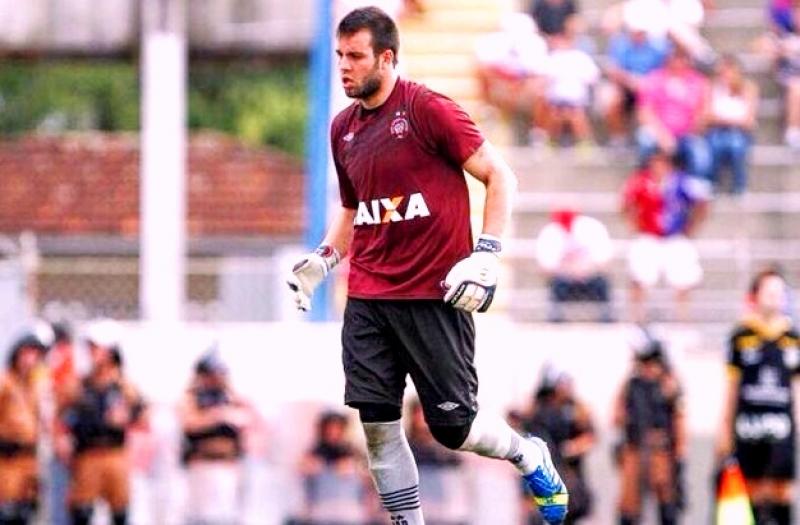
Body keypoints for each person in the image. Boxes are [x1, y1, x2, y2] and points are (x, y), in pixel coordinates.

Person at [286, 7, 568, 525]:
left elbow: (500, 176)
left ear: (386, 58)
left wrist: (486, 253)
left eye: (355, 56)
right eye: (340, 55)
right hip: (369, 296)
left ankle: (528, 454)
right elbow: (353, 208)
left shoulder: (427, 109)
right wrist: (325, 257)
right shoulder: (342, 128)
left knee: (454, 429)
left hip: (433, 294)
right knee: (377, 427)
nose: (344, 66)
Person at [716, 269, 800, 525]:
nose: (775, 296)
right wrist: (725, 430)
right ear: (755, 296)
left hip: (781, 428)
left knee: (781, 492)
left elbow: (796, 388)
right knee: (750, 492)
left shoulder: (792, 338)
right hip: (748, 427)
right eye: (769, 290)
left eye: (779, 291)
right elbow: (731, 387)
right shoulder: (741, 336)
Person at [56, 319, 145, 525]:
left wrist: (127, 417)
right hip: (87, 454)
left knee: (120, 511)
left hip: (115, 453)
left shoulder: (123, 386)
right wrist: (61, 437)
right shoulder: (79, 385)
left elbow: (142, 414)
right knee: (81, 511)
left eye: (96, 348)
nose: (92, 352)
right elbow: (59, 414)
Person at [621, 148, 711, 322]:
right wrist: (633, 224)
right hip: (649, 235)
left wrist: (692, 226)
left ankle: (682, 319)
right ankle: (637, 318)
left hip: (674, 236)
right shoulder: (641, 181)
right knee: (639, 276)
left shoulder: (681, 181)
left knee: (683, 279)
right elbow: (625, 202)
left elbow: (702, 201)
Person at [613, 333, 686, 525]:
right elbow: (617, 417)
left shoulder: (669, 384)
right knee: (628, 507)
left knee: (667, 505)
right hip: (635, 449)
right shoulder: (631, 385)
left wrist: (679, 455)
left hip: (660, 451)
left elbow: (679, 422)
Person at [179, 348, 253, 525]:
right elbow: (189, 422)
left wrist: (228, 412)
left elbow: (247, 419)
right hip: (202, 463)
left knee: (227, 515)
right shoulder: (192, 397)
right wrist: (216, 415)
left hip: (228, 464)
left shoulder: (231, 396)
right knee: (201, 516)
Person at [522, 366, 595, 524]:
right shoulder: (538, 411)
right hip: (542, 478)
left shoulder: (575, 409)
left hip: (568, 476)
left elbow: (589, 437)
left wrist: (573, 447)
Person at [636, 46, 711, 181]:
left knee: (701, 154)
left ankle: (697, 187)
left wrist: (696, 126)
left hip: (688, 133)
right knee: (645, 139)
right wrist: (662, 135)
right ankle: (645, 182)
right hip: (660, 132)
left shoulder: (698, 81)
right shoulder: (654, 79)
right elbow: (645, 112)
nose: (679, 62)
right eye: (676, 58)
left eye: (682, 58)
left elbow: (704, 109)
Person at [474, 12, 549, 146]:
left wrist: (520, 83)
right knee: (481, 71)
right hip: (502, 86)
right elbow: (486, 65)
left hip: (525, 88)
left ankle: (538, 132)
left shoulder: (536, 44)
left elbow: (538, 72)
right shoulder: (495, 43)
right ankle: (489, 110)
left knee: (542, 89)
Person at [0, 332, 49, 525]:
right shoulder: (5, 382)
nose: (31, 360)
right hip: (8, 461)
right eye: (27, 354)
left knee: (26, 512)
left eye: (35, 355)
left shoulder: (33, 386)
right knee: (7, 513)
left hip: (28, 461)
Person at [602, 13, 671, 147]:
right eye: (635, 32)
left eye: (641, 32)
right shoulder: (620, 45)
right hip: (625, 86)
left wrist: (646, 83)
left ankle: (652, 137)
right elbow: (613, 70)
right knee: (609, 99)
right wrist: (630, 80)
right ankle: (618, 138)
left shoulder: (657, 47)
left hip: (651, 88)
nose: (638, 35)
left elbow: (664, 71)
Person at [535, 207, 613, 322]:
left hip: (590, 276)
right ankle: (555, 322)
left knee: (602, 284)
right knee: (557, 285)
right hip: (564, 279)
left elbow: (604, 261)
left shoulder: (591, 228)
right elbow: (545, 268)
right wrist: (569, 271)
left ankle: (607, 320)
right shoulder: (550, 232)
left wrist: (585, 269)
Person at [296, 411, 374, 525]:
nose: (333, 432)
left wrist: (355, 468)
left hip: (349, 513)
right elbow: (301, 478)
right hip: (321, 512)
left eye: (337, 428)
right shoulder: (313, 453)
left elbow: (369, 481)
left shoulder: (354, 453)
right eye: (329, 429)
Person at [406, 400, 470, 525]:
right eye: (420, 413)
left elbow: (457, 471)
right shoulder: (405, 449)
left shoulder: (445, 449)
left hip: (443, 513)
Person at [704, 55, 758, 195]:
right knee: (714, 145)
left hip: (739, 132)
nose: (725, 75)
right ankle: (713, 183)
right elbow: (707, 116)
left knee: (736, 146)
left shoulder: (748, 89)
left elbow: (748, 121)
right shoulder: (712, 87)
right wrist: (732, 119)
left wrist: (722, 119)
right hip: (716, 130)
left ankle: (739, 186)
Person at [539, 32, 600, 147]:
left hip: (576, 98)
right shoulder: (553, 57)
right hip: (556, 98)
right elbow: (545, 78)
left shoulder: (581, 57)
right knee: (554, 115)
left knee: (577, 116)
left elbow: (592, 77)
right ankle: (550, 142)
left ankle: (585, 143)